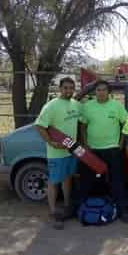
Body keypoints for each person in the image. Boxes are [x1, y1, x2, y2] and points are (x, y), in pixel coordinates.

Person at [79, 80, 128, 224]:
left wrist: (121, 143)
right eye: (98, 90)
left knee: (117, 181)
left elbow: (126, 124)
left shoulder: (116, 106)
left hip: (112, 150)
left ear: (109, 92)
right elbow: (82, 126)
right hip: (93, 151)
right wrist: (86, 145)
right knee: (87, 181)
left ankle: (123, 211)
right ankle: (80, 209)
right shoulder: (87, 106)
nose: (101, 92)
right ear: (94, 92)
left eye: (103, 90)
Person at [35, 77, 81, 230]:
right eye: (66, 88)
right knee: (54, 182)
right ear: (60, 89)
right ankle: (53, 212)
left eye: (71, 88)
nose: (68, 91)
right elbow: (40, 126)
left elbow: (83, 121)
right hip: (56, 153)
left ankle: (67, 207)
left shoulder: (75, 104)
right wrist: (50, 142)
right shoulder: (51, 106)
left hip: (71, 150)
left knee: (67, 179)